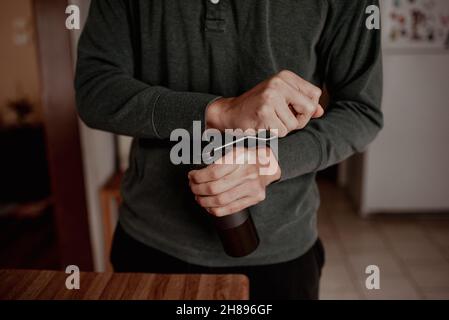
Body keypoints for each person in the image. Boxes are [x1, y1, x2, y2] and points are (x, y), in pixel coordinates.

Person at [75, 0, 383, 300]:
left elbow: (361, 111)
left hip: (279, 255)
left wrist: (272, 162)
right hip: (150, 245)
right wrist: (220, 111)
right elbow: (94, 89)